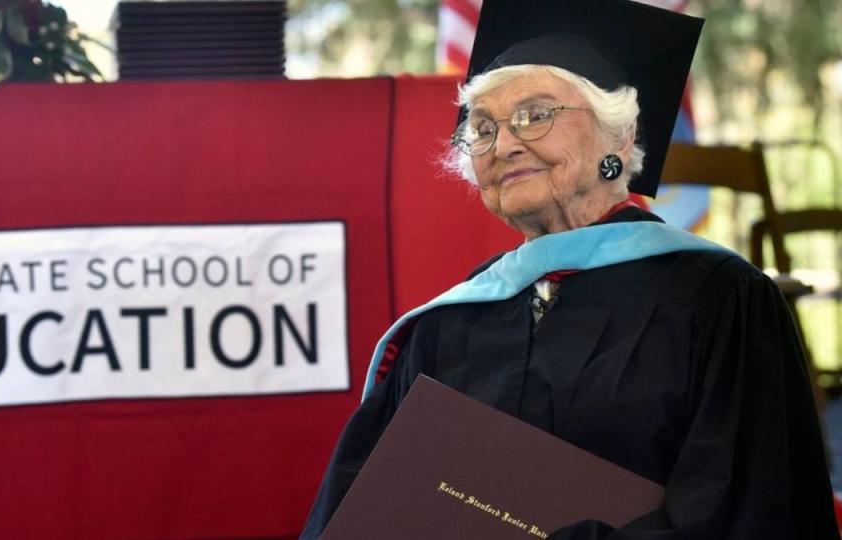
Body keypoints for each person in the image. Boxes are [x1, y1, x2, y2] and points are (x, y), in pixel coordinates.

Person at [300, 0, 841, 538]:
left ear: (620, 137)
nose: (504, 145)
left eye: (535, 115)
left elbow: (756, 511)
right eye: (482, 129)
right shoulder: (451, 321)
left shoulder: (718, 299)